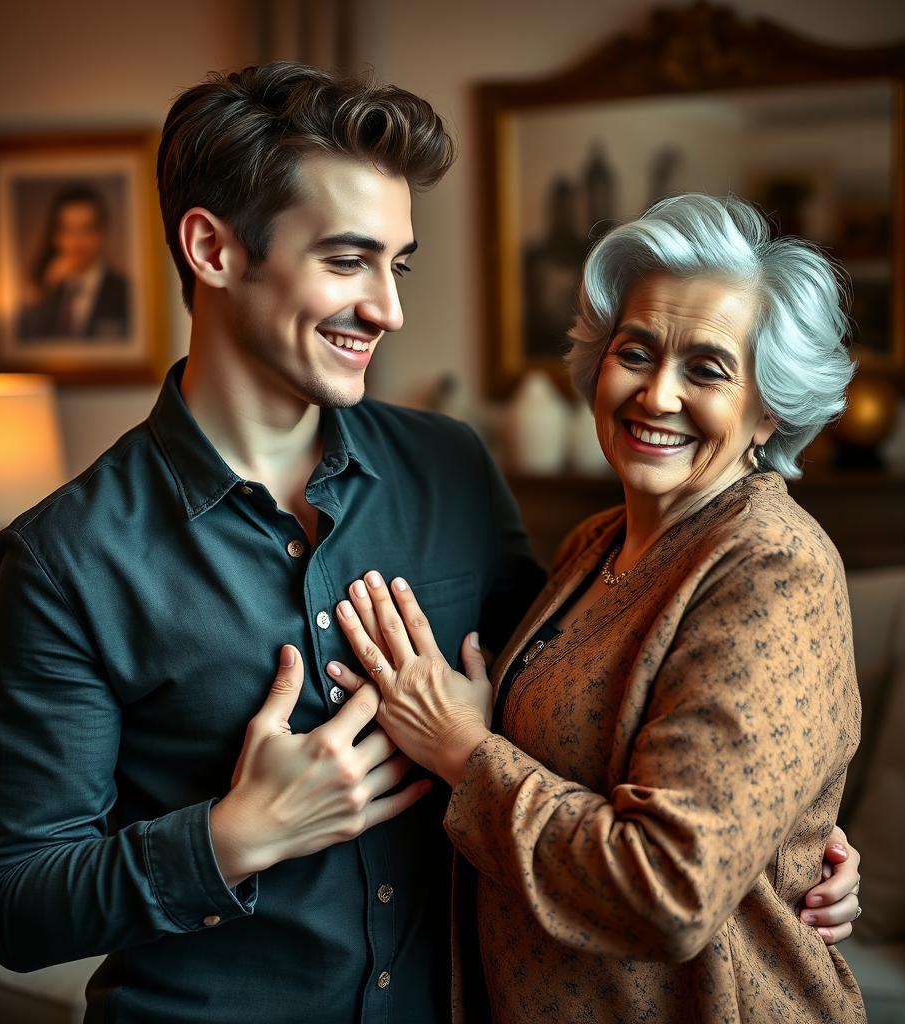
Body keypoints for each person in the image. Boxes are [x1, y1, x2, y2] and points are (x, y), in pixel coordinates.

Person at [0, 62, 860, 1024]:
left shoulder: (451, 470)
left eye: (398, 266)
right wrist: (230, 838)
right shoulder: (65, 559)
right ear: (212, 249)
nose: (389, 310)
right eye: (349, 261)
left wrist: (780, 833)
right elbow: (19, 906)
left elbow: (569, 711)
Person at [328, 194, 866, 1022]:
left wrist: (464, 751)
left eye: (708, 369)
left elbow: (668, 891)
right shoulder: (594, 544)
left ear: (769, 407)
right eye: (637, 351)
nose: (656, 395)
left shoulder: (772, 567)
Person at [18, 184, 130, 340]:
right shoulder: (44, 292)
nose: (77, 242)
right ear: (56, 236)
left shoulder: (125, 293)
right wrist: (42, 293)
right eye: (68, 230)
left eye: (86, 229)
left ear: (101, 234)